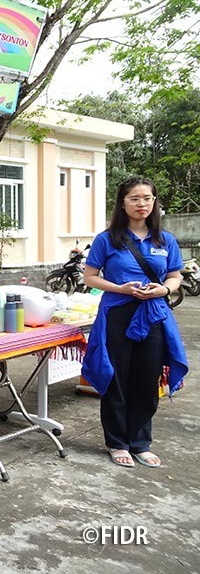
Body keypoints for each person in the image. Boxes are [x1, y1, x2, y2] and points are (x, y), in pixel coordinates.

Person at [82, 177, 188, 469]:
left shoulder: (165, 240)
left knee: (147, 378)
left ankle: (140, 442)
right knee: (116, 378)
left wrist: (163, 289)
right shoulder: (107, 239)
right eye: (135, 198)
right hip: (117, 314)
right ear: (122, 203)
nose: (142, 204)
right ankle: (117, 442)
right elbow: (90, 277)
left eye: (147, 198)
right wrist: (120, 288)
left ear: (154, 202)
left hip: (153, 315)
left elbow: (175, 277)